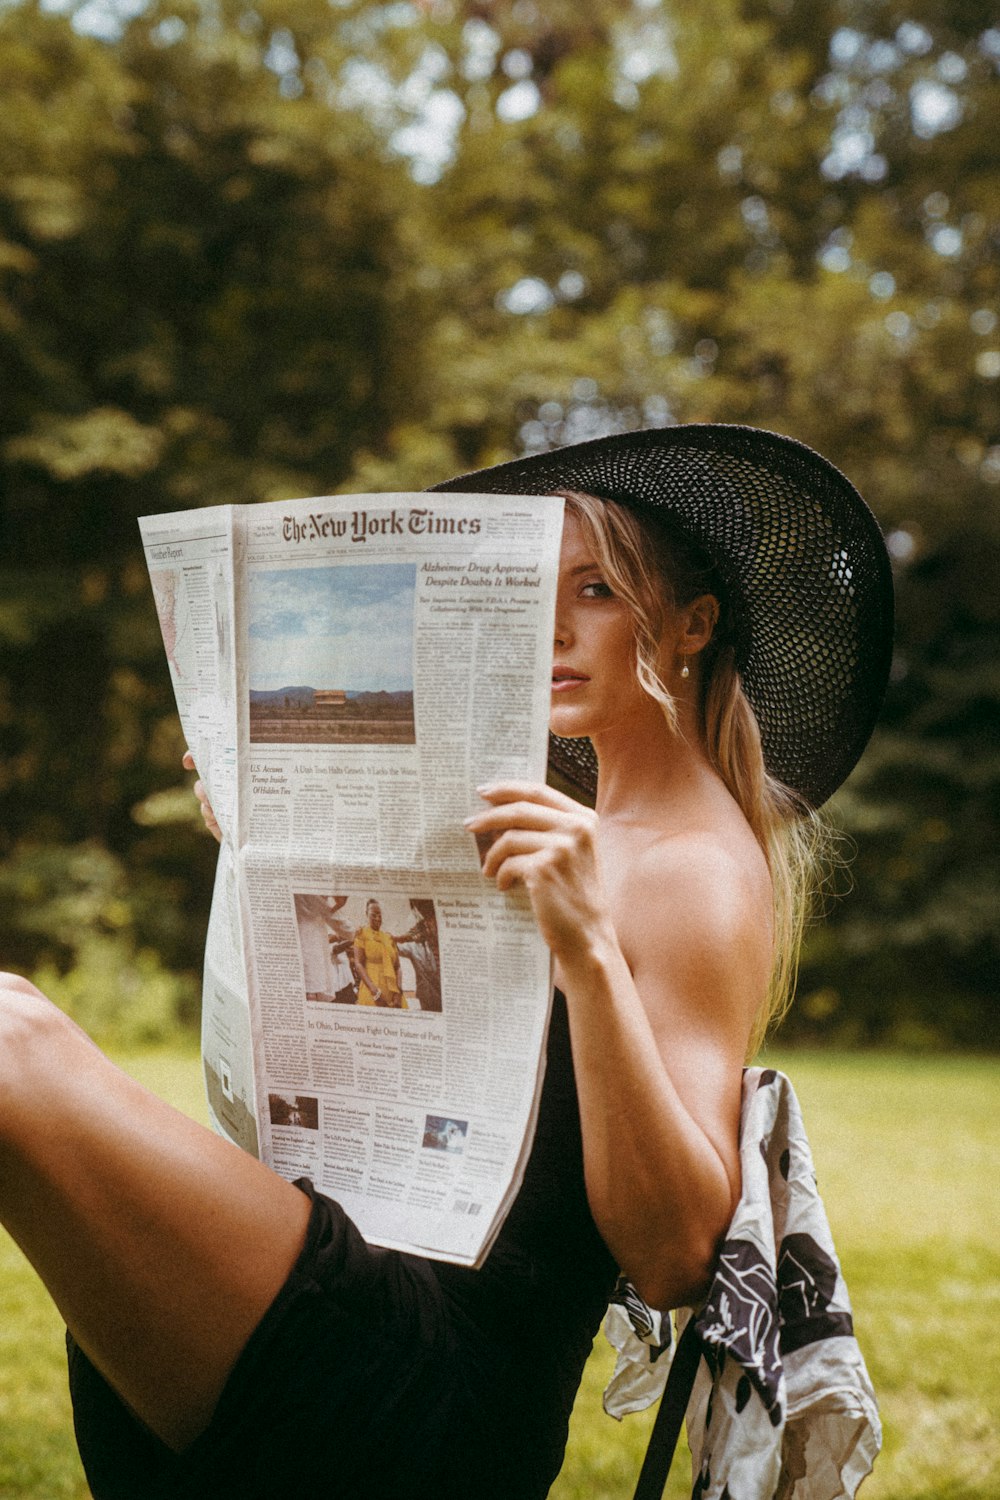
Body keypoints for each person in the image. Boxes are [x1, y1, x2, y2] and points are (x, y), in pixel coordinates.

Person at [0, 424, 892, 1500]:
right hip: (337, 1268)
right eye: (534, 589)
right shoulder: (548, 831)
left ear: (691, 623)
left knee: (13, 1044)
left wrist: (589, 951)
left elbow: (675, 1254)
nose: (555, 627)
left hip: (441, 1380)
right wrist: (263, 838)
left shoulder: (693, 867)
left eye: (598, 590)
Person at [353, 898, 404, 1007]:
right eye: (374, 915)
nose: (377, 918)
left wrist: (399, 991)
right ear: (366, 914)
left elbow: (398, 967)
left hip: (394, 992)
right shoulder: (361, 934)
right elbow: (358, 964)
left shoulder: (389, 937)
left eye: (380, 915)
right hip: (371, 990)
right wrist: (375, 993)